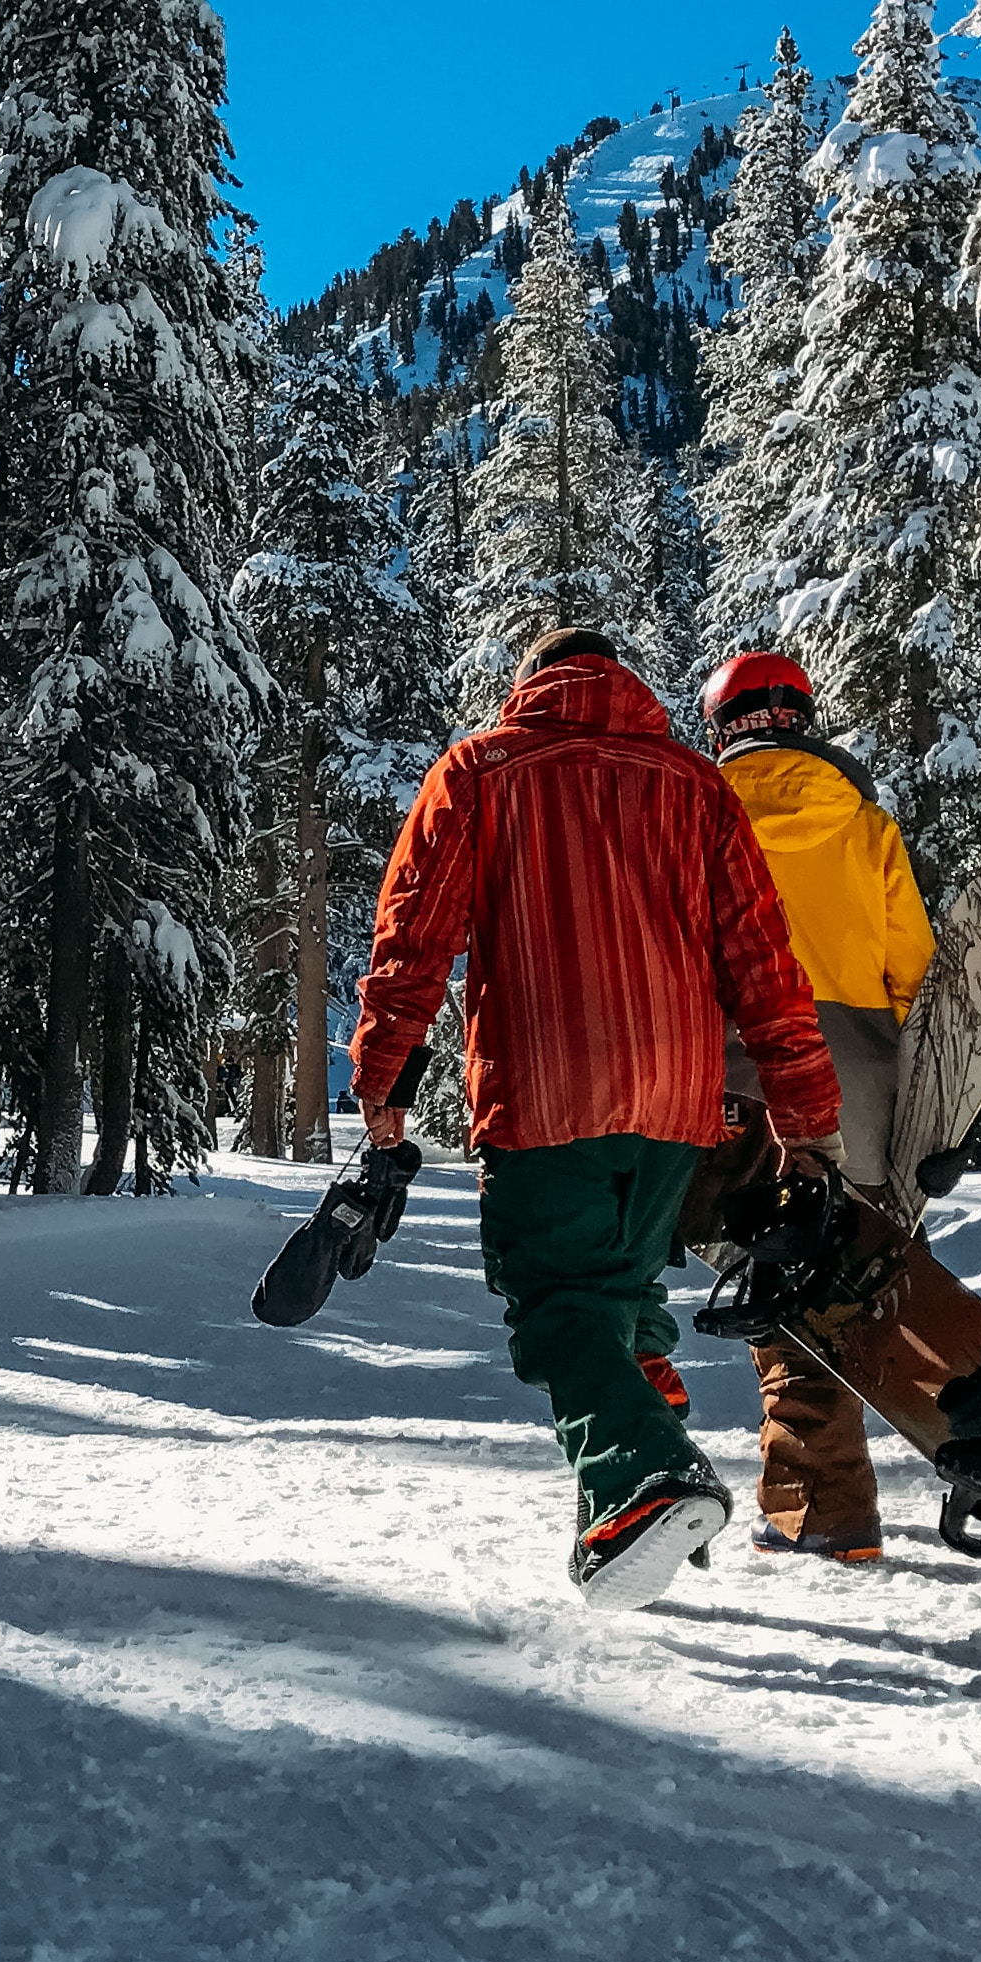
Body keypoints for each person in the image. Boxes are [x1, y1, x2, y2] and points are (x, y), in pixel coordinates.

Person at [352, 629, 845, 1608]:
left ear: (529, 687)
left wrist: (382, 1079)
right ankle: (631, 1494)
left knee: (557, 1306)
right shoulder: (694, 785)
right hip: (673, 1101)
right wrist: (804, 1109)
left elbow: (414, 935)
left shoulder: (481, 769)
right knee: (613, 1295)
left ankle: (640, 1482)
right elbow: (761, 958)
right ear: (621, 687)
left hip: (545, 1089)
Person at [700, 650, 934, 1565]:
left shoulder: (699, 818)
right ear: (803, 718)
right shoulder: (866, 826)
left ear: (720, 727)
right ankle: (844, 1487)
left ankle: (824, 1510)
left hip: (742, 1074)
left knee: (780, 1288)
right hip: (863, 1085)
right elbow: (913, 973)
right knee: (846, 1279)